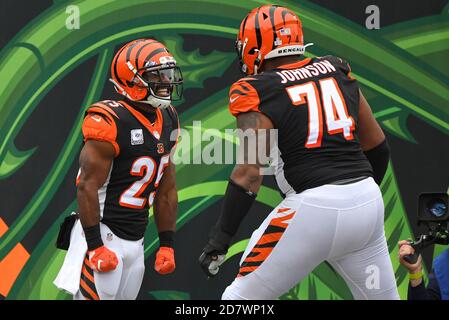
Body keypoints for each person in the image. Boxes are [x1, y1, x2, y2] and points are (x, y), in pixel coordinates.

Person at [199, 5, 399, 300]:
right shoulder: (336, 69)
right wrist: (354, 199)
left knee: (239, 299)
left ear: (257, 46)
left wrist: (220, 239)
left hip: (312, 207)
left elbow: (249, 174)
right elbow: (377, 146)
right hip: (367, 200)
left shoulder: (257, 89)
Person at [54, 38, 182, 300]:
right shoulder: (109, 120)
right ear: (132, 80)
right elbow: (86, 186)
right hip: (103, 232)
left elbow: (166, 188)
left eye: (168, 74)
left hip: (136, 241)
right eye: (157, 76)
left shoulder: (169, 117)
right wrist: (95, 246)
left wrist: (167, 243)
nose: (167, 82)